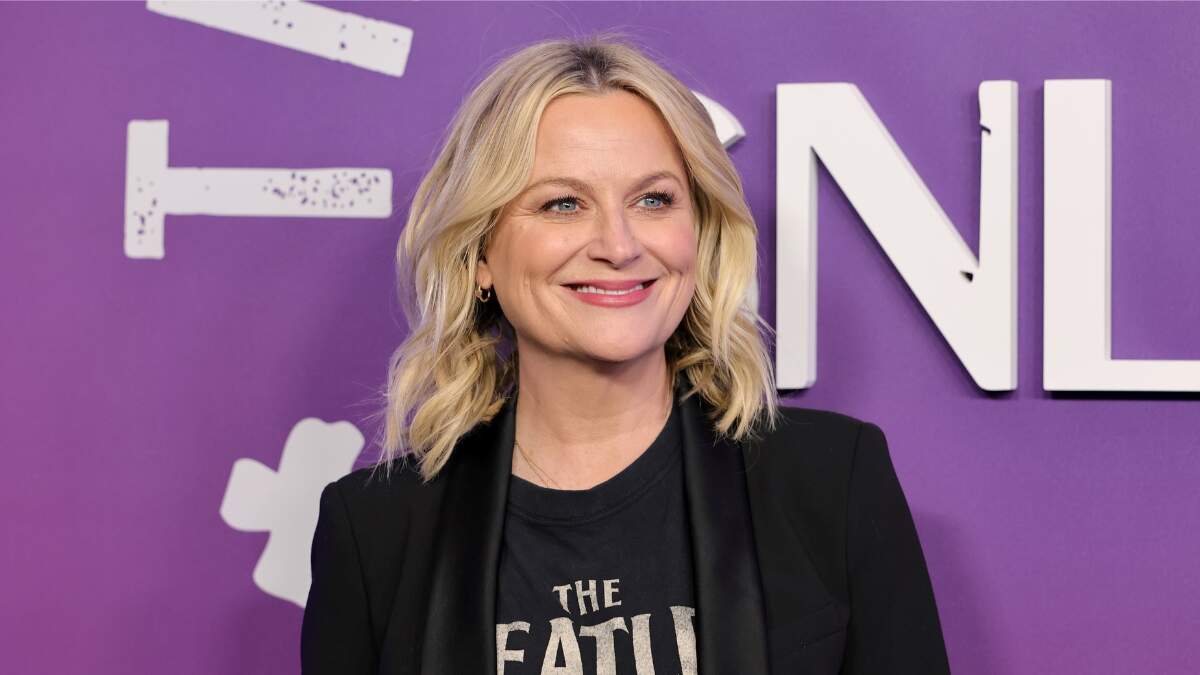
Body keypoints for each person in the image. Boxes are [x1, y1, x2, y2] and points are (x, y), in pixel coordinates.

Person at [301, 34, 951, 675]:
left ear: (698, 232)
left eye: (653, 199)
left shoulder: (831, 484)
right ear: (480, 255)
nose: (619, 244)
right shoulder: (375, 532)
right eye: (563, 203)